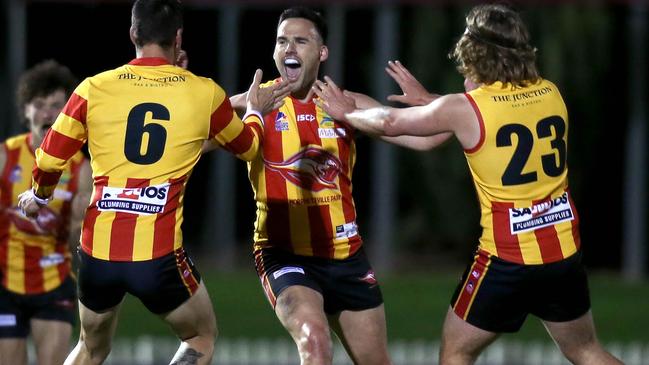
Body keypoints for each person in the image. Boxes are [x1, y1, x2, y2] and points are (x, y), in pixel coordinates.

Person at [314, 4, 623, 365]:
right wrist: (433, 102)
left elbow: (390, 122)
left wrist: (345, 112)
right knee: (585, 351)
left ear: (477, 56)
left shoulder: (465, 108)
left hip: (506, 259)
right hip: (562, 254)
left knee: (457, 351)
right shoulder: (550, 93)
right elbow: (493, 113)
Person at [17, 0, 284, 364]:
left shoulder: (93, 88)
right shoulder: (202, 92)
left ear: (133, 34)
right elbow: (250, 148)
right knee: (201, 336)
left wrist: (41, 194)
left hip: (98, 254)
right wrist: (254, 111)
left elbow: (48, 158)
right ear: (178, 38)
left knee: (90, 347)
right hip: (157, 258)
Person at [227, 6, 392, 365]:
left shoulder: (345, 105)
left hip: (346, 257)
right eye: (282, 41)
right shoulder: (252, 105)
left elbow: (423, 137)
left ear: (322, 52)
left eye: (300, 41)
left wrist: (431, 106)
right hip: (285, 255)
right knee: (314, 342)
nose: (289, 49)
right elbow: (190, 133)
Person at [0, 60, 91, 365]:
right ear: (25, 111)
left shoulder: (81, 168)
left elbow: (77, 240)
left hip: (54, 283)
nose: (48, 114)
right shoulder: (6, 156)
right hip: (5, 282)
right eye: (39, 105)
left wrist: (78, 223)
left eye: (56, 105)